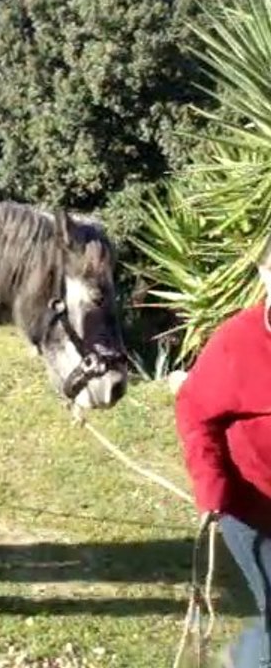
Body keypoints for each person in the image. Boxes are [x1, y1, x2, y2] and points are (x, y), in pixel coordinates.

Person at [174, 249, 271, 667]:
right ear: (265, 274)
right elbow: (194, 411)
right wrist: (210, 484)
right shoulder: (236, 342)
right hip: (252, 510)